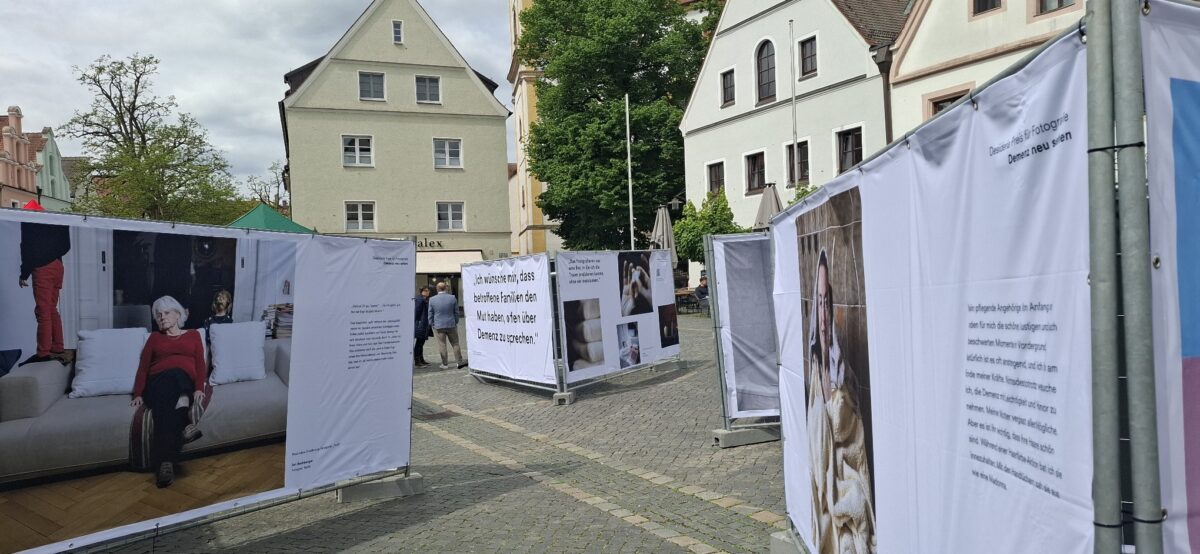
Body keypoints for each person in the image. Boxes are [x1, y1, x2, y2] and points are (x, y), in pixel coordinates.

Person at [806, 250, 876, 553]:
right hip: (823, 496)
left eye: (826, 302)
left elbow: (854, 444)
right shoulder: (813, 372)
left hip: (845, 488)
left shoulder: (843, 376)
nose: (823, 313)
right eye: (819, 303)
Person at [131, 296, 207, 489]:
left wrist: (199, 388)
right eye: (158, 315)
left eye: (166, 313)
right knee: (173, 376)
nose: (161, 317)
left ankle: (165, 464)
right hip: (157, 385)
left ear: (177, 314)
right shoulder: (155, 338)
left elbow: (200, 364)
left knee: (167, 405)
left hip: (185, 385)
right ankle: (185, 422)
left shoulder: (193, 335)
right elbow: (143, 368)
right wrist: (138, 394)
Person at [17, 222, 71, 366]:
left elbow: (27, 246)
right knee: (52, 308)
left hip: (42, 268)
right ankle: (58, 347)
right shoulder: (57, 220)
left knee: (43, 311)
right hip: (58, 266)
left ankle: (43, 353)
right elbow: (66, 245)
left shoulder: (30, 221)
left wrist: (24, 273)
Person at [428, 282, 465, 369]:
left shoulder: (432, 299)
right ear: (445, 288)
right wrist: (455, 321)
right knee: (455, 343)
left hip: (439, 325)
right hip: (451, 324)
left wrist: (432, 324)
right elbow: (456, 312)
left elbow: (430, 313)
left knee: (442, 345)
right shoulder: (452, 298)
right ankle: (459, 362)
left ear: (437, 289)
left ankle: (445, 364)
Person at [413, 286, 432, 367]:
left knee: (421, 343)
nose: (428, 292)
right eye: (426, 291)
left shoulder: (423, 299)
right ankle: (417, 362)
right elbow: (416, 312)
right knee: (419, 344)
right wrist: (418, 322)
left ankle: (421, 359)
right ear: (422, 291)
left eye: (428, 291)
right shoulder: (419, 300)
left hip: (423, 324)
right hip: (420, 325)